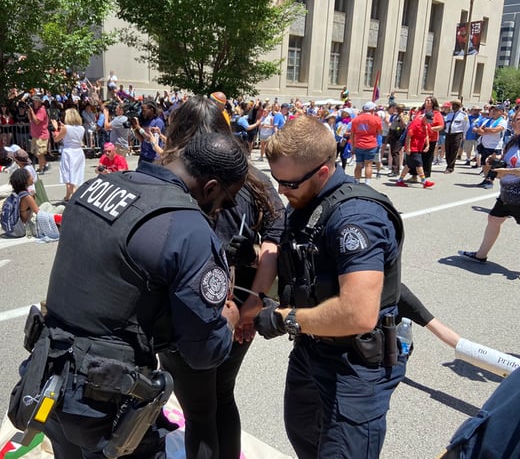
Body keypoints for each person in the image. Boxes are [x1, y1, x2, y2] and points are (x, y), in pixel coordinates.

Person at [17, 131, 248, 458]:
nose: (222, 209)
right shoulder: (188, 227)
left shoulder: (96, 186)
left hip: (48, 376)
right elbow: (201, 354)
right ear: (211, 187)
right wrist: (226, 321)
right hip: (107, 401)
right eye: (225, 199)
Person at [256, 115, 407, 459]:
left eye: (289, 183)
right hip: (313, 350)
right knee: (304, 437)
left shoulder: (356, 218)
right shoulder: (307, 204)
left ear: (322, 172)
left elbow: (358, 313)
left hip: (354, 365)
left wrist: (284, 319)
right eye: (277, 180)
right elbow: (308, 270)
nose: (281, 190)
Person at [156, 96, 284, 459]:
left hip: (187, 311)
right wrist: (253, 303)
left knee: (198, 412)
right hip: (243, 304)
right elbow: (276, 239)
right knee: (223, 396)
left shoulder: (171, 176)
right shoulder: (252, 176)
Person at [459, 108, 520, 281]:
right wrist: (496, 164)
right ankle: (481, 254)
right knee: (494, 219)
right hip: (507, 194)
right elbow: (505, 158)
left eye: (517, 119)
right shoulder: (514, 140)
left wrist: (508, 170)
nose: (512, 121)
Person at [394, 108, 436, 188]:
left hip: (419, 147)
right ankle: (424, 182)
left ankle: (400, 180)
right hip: (413, 148)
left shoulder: (426, 125)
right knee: (419, 164)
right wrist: (408, 148)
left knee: (408, 165)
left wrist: (427, 145)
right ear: (425, 118)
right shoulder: (416, 124)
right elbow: (408, 137)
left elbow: (426, 135)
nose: (428, 123)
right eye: (428, 121)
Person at [52, 108, 86, 202]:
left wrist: (56, 128)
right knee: (74, 175)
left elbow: (56, 139)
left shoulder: (65, 128)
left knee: (68, 176)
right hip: (78, 152)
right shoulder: (81, 128)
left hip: (69, 152)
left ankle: (75, 197)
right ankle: (67, 196)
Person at [473, 105, 508, 188]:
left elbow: (496, 130)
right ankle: (486, 179)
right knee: (484, 164)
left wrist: (486, 130)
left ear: (502, 112)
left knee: (492, 164)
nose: (494, 111)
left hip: (495, 146)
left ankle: (490, 181)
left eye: (497, 110)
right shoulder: (488, 121)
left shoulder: (502, 121)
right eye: (493, 110)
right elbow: (479, 131)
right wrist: (486, 130)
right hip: (484, 145)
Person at [350, 101, 383, 184]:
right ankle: (367, 183)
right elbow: (380, 132)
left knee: (358, 165)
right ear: (372, 109)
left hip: (359, 144)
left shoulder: (355, 119)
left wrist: (353, 146)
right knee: (368, 165)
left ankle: (356, 181)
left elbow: (352, 134)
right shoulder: (376, 119)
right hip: (371, 144)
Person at [131, 100, 165, 164]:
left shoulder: (158, 122)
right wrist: (135, 128)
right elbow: (142, 140)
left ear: (151, 110)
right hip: (143, 155)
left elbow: (152, 139)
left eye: (144, 110)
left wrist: (139, 127)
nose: (142, 113)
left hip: (153, 158)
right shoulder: (146, 121)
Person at [443, 100, 469, 174]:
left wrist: (464, 134)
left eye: (455, 105)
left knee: (454, 151)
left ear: (458, 106)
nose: (453, 106)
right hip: (448, 134)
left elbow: (466, 125)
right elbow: (445, 123)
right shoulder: (449, 114)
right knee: (447, 150)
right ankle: (448, 164)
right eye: (453, 105)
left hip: (457, 134)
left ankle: (450, 167)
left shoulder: (463, 115)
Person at [27, 95, 50, 174]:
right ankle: (45, 164)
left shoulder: (42, 110)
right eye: (33, 101)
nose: (34, 103)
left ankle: (42, 168)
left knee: (40, 153)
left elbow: (37, 121)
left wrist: (32, 112)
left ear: (39, 102)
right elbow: (30, 119)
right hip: (35, 134)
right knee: (36, 152)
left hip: (41, 134)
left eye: (36, 101)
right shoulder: (35, 110)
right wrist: (29, 111)